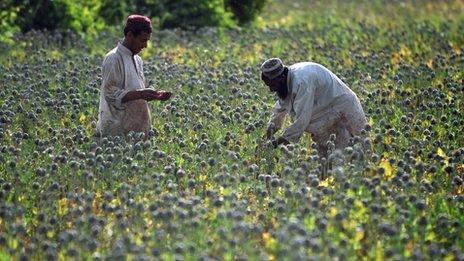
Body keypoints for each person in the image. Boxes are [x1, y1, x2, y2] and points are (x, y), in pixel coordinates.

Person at [260, 58, 370, 159]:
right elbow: (280, 109)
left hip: (343, 110)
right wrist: (268, 135)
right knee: (329, 161)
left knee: (361, 151)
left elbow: (302, 120)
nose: (271, 90)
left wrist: (276, 143)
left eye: (272, 85)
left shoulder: (302, 81)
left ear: (281, 77)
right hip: (326, 116)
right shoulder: (286, 82)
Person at [96, 14, 172, 137]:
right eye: (143, 40)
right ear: (130, 35)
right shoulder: (113, 58)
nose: (145, 46)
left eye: (147, 41)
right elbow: (110, 93)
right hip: (116, 133)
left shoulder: (138, 60)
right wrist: (141, 94)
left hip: (138, 131)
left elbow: (135, 92)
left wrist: (155, 95)